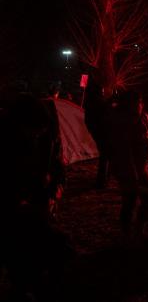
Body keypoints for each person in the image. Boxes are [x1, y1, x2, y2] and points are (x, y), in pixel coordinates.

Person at [0, 94, 71, 300]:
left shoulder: (48, 134)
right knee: (18, 253)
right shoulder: (6, 141)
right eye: (32, 131)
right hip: (12, 210)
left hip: (38, 202)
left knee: (54, 248)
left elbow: (58, 167)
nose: (36, 135)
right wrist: (16, 202)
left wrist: (55, 190)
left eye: (40, 131)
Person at [108, 91, 148, 241]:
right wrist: (132, 173)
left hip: (140, 166)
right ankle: (126, 233)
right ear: (130, 104)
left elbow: (142, 141)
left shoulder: (138, 118)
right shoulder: (123, 122)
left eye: (141, 101)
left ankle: (138, 229)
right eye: (138, 102)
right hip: (128, 168)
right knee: (130, 200)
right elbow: (124, 150)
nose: (141, 104)